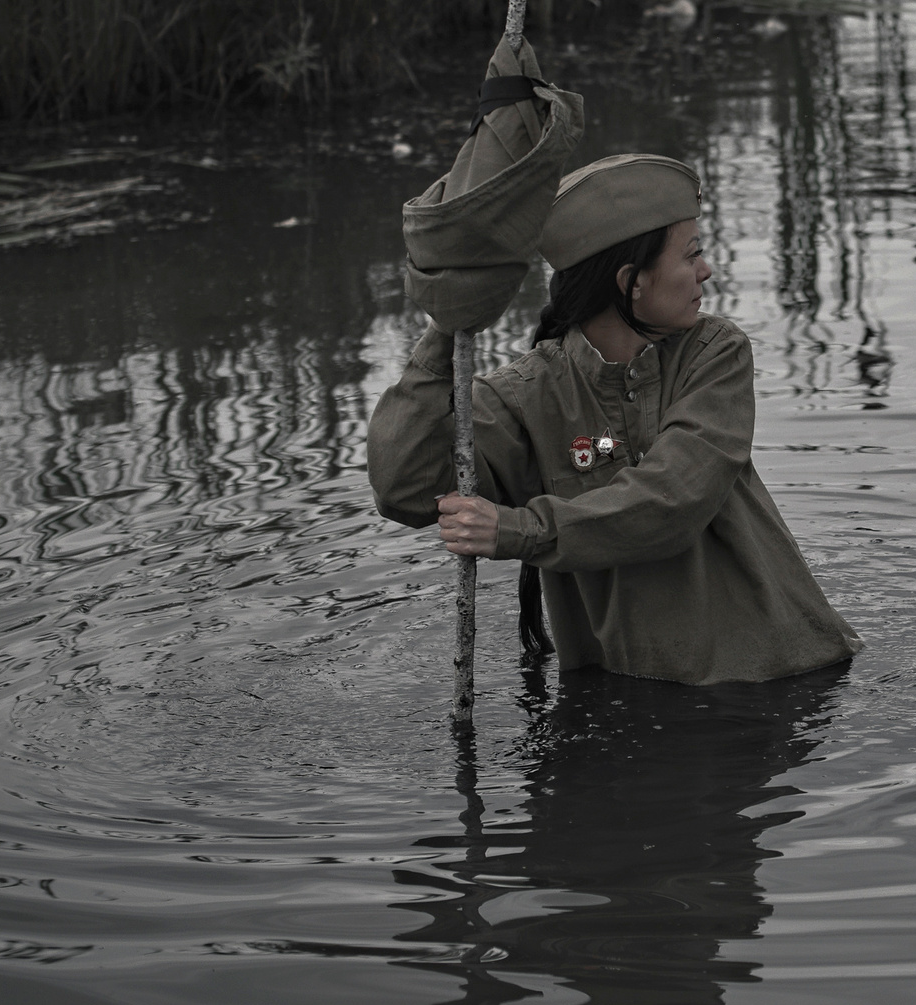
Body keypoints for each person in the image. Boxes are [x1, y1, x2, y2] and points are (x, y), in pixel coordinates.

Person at [368, 153, 861, 685]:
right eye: (691, 254)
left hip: (785, 680)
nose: (706, 269)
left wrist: (521, 531)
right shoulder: (522, 396)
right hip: (630, 692)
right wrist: (446, 325)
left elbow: (673, 498)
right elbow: (406, 492)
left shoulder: (714, 354)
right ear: (632, 282)